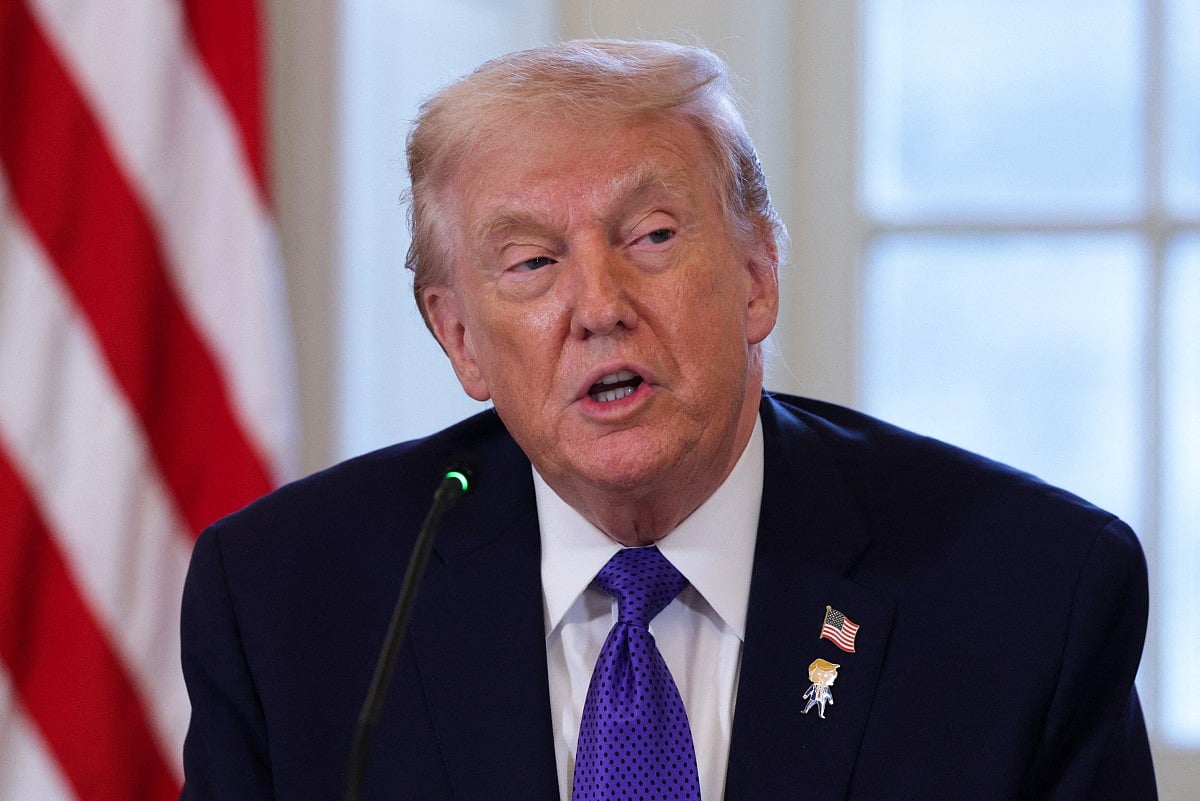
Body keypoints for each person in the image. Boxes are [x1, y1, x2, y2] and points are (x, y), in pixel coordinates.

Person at [178, 39, 1156, 800]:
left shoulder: (1029, 597)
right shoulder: (289, 602)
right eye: (531, 263)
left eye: (650, 237)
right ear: (461, 339)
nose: (599, 305)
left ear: (756, 277)